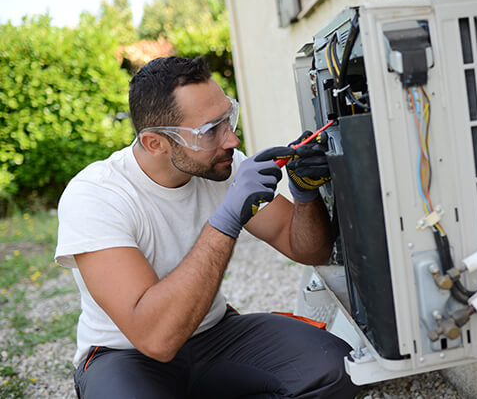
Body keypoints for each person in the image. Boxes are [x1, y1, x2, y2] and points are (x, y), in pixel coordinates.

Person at [54, 56, 359, 398]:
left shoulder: (221, 166)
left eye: (228, 118)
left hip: (215, 334)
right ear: (155, 143)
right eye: (210, 130)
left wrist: (305, 194)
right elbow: (156, 339)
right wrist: (226, 220)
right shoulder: (96, 196)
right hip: (125, 355)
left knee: (337, 369)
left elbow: (308, 249)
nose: (232, 140)